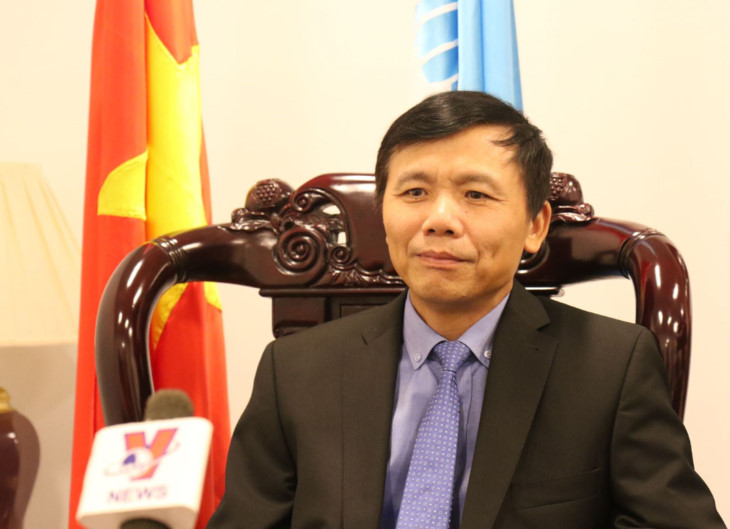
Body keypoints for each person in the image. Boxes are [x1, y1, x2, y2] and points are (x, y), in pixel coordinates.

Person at [208, 91, 726, 529]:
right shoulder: (295, 371)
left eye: (476, 194)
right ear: (382, 212)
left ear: (535, 225)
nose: (440, 220)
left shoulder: (611, 368)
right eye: (414, 192)